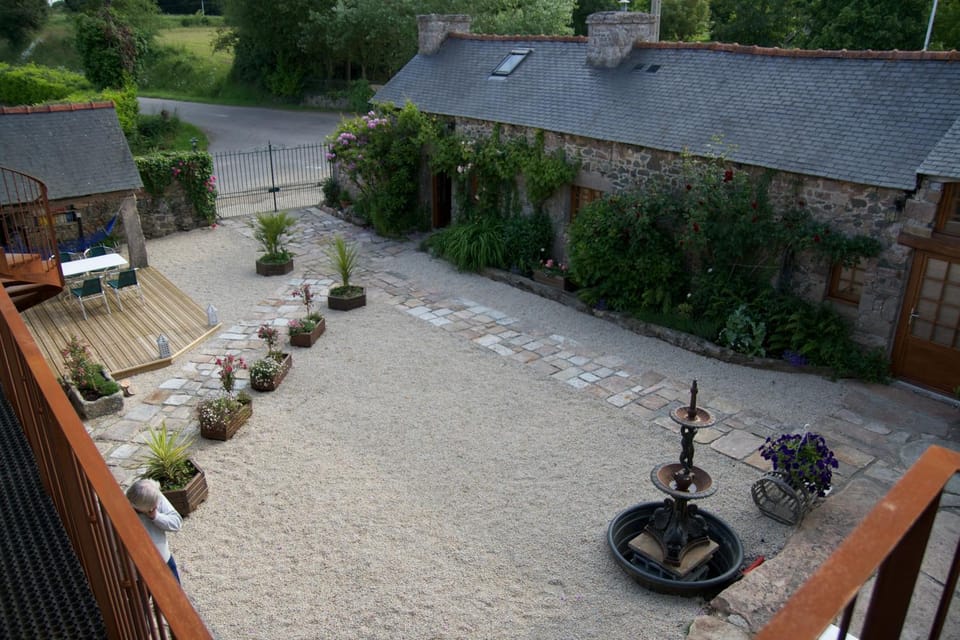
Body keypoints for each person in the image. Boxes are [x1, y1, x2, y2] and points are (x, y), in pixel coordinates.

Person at [126, 478, 183, 583]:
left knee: (175, 595)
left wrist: (156, 516)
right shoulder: (124, 511)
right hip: (137, 569)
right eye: (153, 506)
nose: (157, 505)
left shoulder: (154, 495)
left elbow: (176, 522)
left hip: (163, 559)